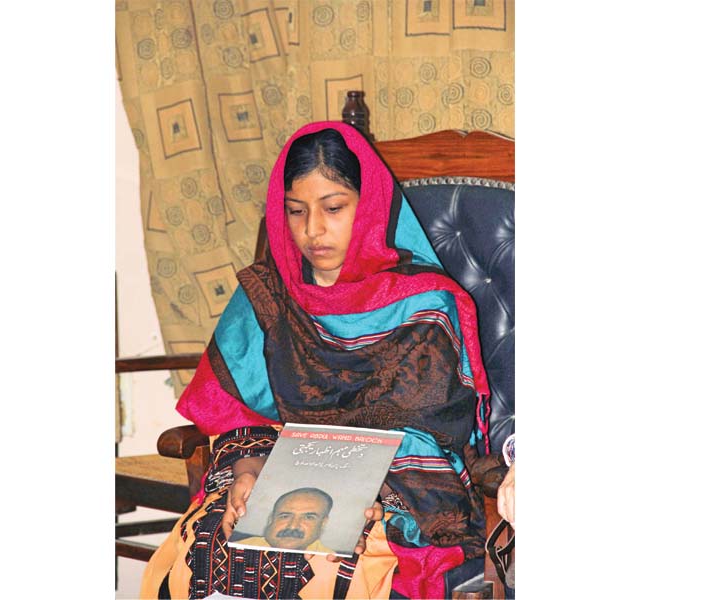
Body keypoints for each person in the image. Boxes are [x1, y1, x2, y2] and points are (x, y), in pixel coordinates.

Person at [140, 122, 495, 600]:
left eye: (333, 208)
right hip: (275, 473)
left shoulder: (425, 302)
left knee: (331, 569)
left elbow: (433, 433)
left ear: (366, 206)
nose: (312, 230)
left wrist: (368, 493)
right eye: (295, 211)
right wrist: (246, 474)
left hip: (396, 488)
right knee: (206, 551)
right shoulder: (268, 296)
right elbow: (243, 418)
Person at [232, 487, 333, 553]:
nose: (293, 526)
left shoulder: (332, 563)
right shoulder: (240, 547)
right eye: (285, 516)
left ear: (323, 522)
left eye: (308, 517)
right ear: (271, 519)